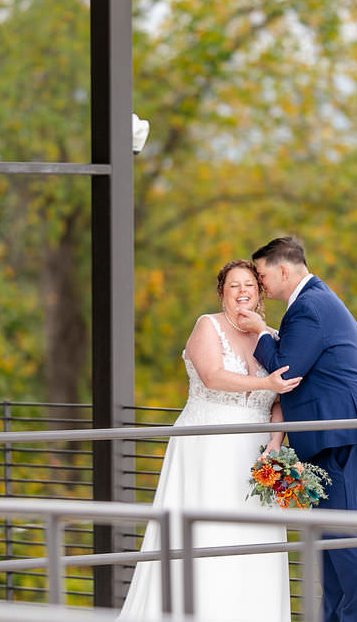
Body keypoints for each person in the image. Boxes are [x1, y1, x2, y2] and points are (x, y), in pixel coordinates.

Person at [120, 260, 300, 621]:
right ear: (222, 293)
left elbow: (281, 400)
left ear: (260, 292)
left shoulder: (274, 338)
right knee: (211, 533)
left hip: (257, 454)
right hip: (209, 444)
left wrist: (275, 444)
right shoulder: (208, 326)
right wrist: (267, 383)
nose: (242, 292)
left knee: (253, 539)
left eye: (249, 284)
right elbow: (213, 376)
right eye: (234, 286)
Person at [235, 236, 357, 622]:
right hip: (332, 436)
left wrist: (261, 331)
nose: (260, 283)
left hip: (344, 435)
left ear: (283, 270)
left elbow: (287, 372)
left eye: (262, 274)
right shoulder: (313, 302)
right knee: (329, 542)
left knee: (345, 540)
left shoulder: (308, 307)